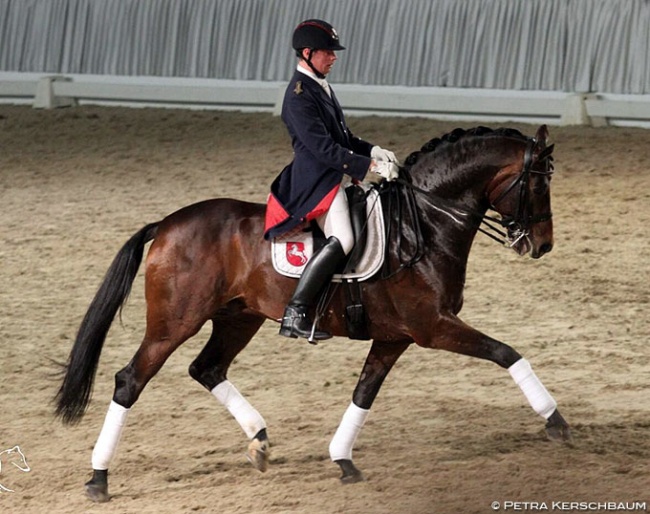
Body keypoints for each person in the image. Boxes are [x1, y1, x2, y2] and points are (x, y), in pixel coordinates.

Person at [264, 19, 399, 342]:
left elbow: (343, 136)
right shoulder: (298, 96)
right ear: (308, 53)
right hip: (315, 183)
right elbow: (324, 149)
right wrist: (371, 167)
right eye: (328, 52)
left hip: (333, 174)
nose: (334, 58)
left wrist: (373, 149)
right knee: (345, 238)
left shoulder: (319, 85)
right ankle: (295, 312)